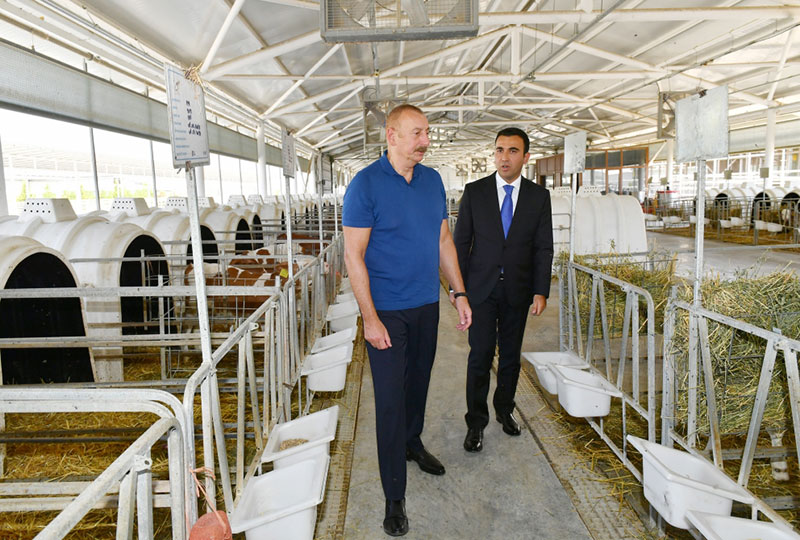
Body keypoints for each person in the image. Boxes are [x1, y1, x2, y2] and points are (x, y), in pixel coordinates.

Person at [342, 104, 472, 537]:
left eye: (427, 133)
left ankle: (412, 442)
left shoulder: (432, 181)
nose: (425, 141)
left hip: (425, 305)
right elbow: (353, 256)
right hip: (386, 311)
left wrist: (458, 291)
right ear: (392, 135)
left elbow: (443, 240)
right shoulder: (365, 185)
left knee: (418, 383)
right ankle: (394, 495)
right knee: (389, 400)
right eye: (417, 133)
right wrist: (370, 319)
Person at [452, 127, 554, 453]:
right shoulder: (475, 192)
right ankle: (475, 423)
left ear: (526, 157)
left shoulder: (539, 197)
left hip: (517, 290)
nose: (504, 157)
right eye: (499, 150)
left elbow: (543, 247)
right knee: (480, 355)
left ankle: (505, 410)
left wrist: (541, 290)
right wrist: (458, 290)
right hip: (480, 290)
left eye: (512, 151)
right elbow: (461, 243)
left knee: (510, 357)